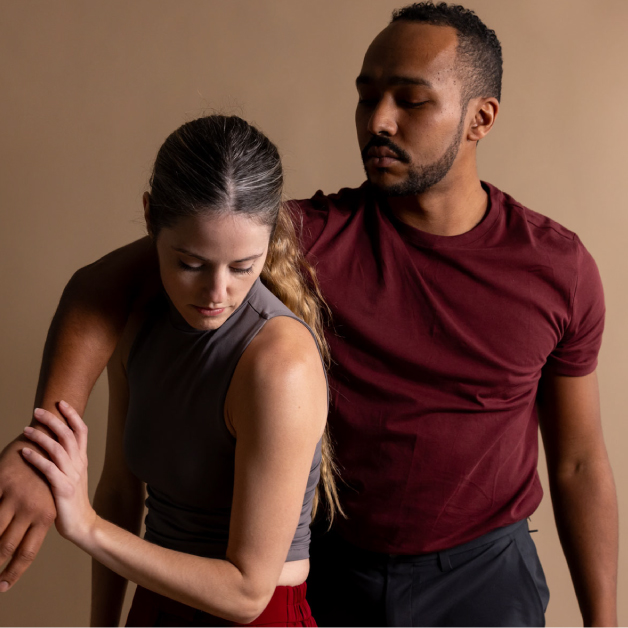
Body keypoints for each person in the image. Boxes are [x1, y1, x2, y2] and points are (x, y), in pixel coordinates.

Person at [0, 2, 618, 627]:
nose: (379, 120)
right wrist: (35, 453)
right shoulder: (299, 239)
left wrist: (604, 620)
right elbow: (98, 289)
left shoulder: (556, 269)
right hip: (334, 573)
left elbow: (578, 462)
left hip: (483, 582)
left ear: (480, 118)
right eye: (367, 96)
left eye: (410, 100)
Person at [11, 114, 341, 627]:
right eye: (190, 264)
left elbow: (246, 593)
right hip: (155, 608)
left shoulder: (281, 367)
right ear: (149, 219)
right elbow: (121, 490)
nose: (216, 295)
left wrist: (86, 528)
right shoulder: (139, 320)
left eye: (242, 267)